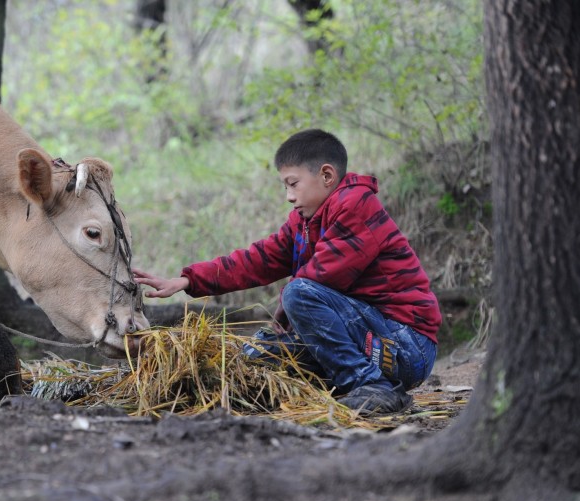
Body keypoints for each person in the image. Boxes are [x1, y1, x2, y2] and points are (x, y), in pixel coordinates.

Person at [133, 129, 441, 415]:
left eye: (293, 184)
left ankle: (370, 386)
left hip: (405, 346)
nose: (289, 196)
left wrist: (287, 305)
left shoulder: (356, 205)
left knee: (299, 294)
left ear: (327, 176)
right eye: (285, 186)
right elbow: (258, 259)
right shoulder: (304, 222)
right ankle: (346, 385)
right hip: (367, 338)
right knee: (259, 354)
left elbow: (321, 276)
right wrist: (187, 279)